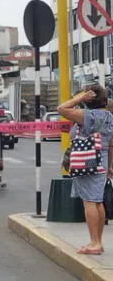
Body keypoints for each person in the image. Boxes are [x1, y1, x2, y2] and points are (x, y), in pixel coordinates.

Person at [57, 84, 113, 255]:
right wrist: (110, 165)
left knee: (89, 201)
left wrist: (79, 98)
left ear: (89, 98)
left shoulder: (87, 116)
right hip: (101, 161)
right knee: (97, 201)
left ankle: (94, 242)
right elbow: (111, 144)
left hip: (87, 161)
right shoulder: (109, 116)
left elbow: (61, 108)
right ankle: (98, 241)